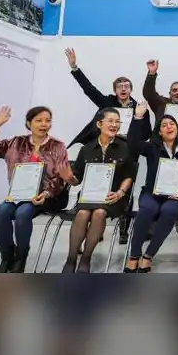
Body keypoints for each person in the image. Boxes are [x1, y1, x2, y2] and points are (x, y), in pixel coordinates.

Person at [64, 47, 148, 244]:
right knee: (96, 183)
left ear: (131, 89)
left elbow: (146, 133)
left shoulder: (139, 107)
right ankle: (96, 227)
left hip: (126, 150)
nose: (123, 88)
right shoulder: (106, 102)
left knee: (126, 188)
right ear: (115, 90)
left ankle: (123, 230)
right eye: (119, 85)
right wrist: (75, 67)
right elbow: (89, 89)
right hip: (103, 147)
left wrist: (139, 120)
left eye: (126, 85)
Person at [0, 105, 73, 273]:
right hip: (18, 194)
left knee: (22, 213)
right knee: (2, 213)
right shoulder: (15, 142)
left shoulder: (57, 146)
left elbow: (60, 177)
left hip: (48, 196)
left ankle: (21, 257)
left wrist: (46, 193)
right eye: (39, 120)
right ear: (29, 123)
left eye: (48, 121)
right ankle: (7, 257)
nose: (44, 124)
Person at [123, 102, 178, 273]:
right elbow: (133, 143)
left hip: (177, 195)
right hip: (153, 193)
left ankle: (148, 255)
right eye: (164, 125)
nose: (168, 127)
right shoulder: (152, 147)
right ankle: (134, 255)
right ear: (159, 131)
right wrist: (137, 118)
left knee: (168, 211)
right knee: (146, 209)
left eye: (172, 124)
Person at [60, 108, 136, 273]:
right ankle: (71, 259)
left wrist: (120, 193)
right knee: (82, 213)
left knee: (100, 212)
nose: (114, 125)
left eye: (117, 122)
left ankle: (86, 259)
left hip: (113, 197)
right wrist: (69, 178)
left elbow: (129, 175)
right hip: (89, 196)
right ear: (99, 124)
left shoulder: (125, 147)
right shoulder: (86, 149)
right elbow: (77, 179)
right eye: (110, 121)